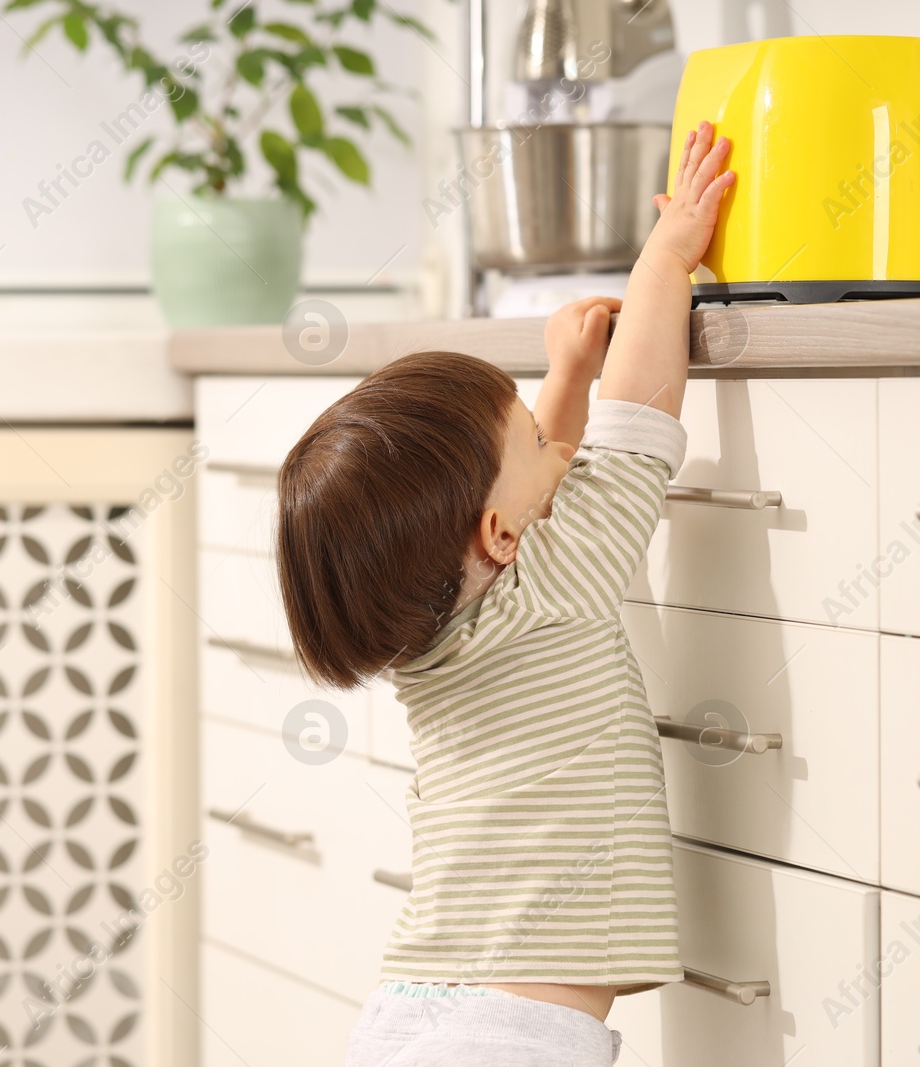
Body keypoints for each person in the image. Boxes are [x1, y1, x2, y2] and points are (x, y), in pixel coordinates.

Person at [276, 121, 735, 1066]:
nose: (551, 439)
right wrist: (671, 248)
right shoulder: (560, 582)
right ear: (500, 531)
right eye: (530, 434)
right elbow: (640, 399)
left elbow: (537, 489)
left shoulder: (425, 638)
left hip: (411, 1004)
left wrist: (563, 375)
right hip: (508, 1040)